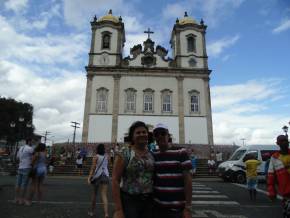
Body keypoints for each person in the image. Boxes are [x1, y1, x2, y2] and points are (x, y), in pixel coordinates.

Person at [112, 121, 154, 218]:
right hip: (130, 202)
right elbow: (115, 180)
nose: (142, 134)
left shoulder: (151, 154)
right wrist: (118, 209)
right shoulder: (124, 153)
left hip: (149, 203)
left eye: (144, 132)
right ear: (132, 136)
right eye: (138, 133)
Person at [152, 123, 192, 218]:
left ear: (168, 136)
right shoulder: (153, 155)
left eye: (163, 133)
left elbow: (188, 181)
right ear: (154, 138)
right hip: (158, 209)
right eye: (157, 134)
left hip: (177, 210)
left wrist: (188, 207)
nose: (160, 136)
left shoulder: (181, 152)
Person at [267, 135, 290, 218]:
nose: (285, 142)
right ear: (278, 143)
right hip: (286, 192)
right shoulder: (274, 158)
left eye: (286, 140)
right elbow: (270, 176)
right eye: (282, 141)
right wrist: (271, 191)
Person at [87, 143, 110, 218]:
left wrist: (89, 177)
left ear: (97, 149)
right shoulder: (107, 156)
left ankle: (92, 212)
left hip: (97, 176)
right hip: (105, 175)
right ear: (103, 149)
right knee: (104, 195)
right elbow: (107, 166)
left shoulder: (96, 157)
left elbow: (93, 168)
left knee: (94, 194)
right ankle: (106, 214)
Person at [14, 138, 34, 205]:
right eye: (32, 142)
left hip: (20, 167)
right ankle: (21, 200)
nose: (32, 143)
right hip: (27, 167)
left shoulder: (21, 148)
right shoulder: (30, 148)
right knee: (24, 185)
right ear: (29, 141)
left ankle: (16, 198)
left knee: (18, 184)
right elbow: (34, 157)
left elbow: (17, 157)